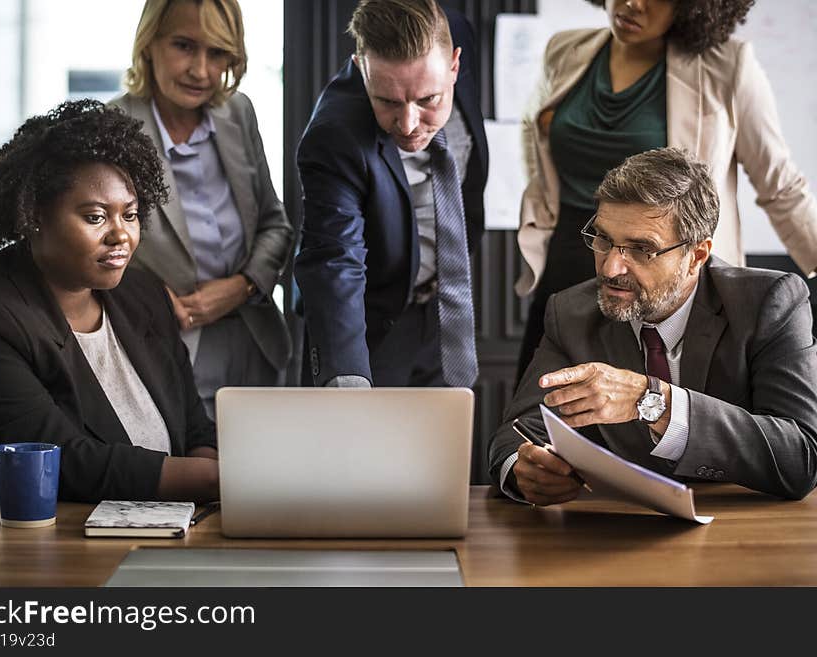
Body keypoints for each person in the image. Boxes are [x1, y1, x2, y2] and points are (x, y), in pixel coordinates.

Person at [490, 147, 817, 505]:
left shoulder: (768, 302)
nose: (610, 268)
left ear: (696, 256)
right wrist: (525, 470)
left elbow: (800, 458)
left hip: (745, 530)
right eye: (603, 240)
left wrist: (656, 402)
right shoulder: (570, 311)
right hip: (617, 530)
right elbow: (517, 433)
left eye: (642, 249)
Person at [515, 0, 817, 381]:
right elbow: (537, 142)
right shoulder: (565, 49)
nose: (632, 3)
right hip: (570, 262)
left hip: (664, 276)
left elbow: (782, 187)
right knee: (544, 411)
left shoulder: (726, 66)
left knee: (658, 418)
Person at [0, 100, 219, 504]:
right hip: (43, 545)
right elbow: (64, 464)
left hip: (168, 529)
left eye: (131, 214)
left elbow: (194, 429)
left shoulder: (145, 296)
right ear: (34, 215)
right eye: (95, 217)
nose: (121, 235)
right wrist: (215, 482)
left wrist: (207, 498)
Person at [112, 0, 293, 418]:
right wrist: (156, 298)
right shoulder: (115, 126)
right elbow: (93, 251)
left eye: (217, 53)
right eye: (184, 46)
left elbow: (274, 223)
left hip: (256, 346)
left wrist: (242, 285)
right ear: (149, 42)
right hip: (163, 348)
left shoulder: (238, 111)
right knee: (192, 479)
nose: (202, 70)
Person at [294, 0, 488, 388]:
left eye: (429, 99)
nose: (409, 124)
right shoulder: (334, 136)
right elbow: (335, 259)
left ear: (454, 64)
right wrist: (346, 376)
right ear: (361, 67)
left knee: (442, 445)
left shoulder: (455, 31)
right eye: (388, 102)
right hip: (369, 325)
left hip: (446, 311)